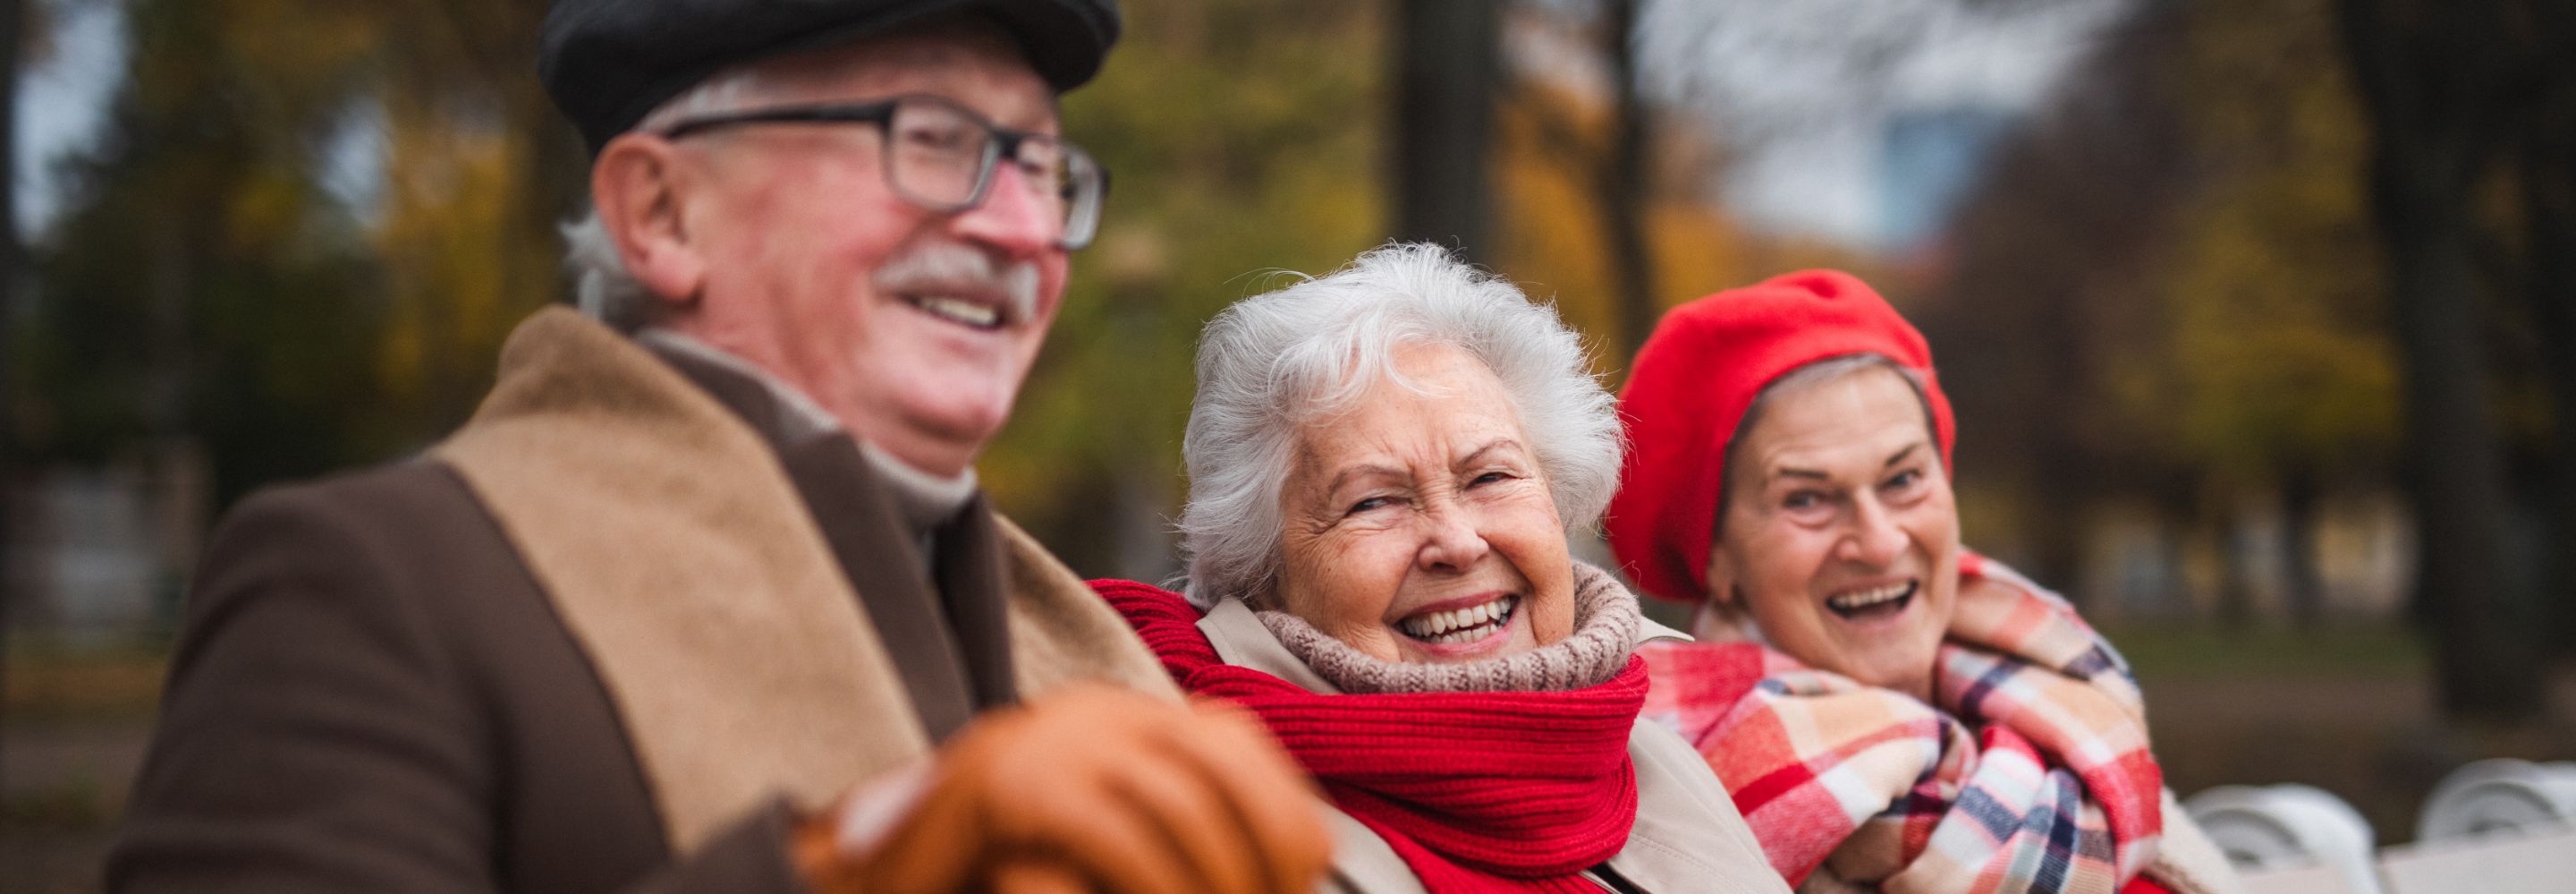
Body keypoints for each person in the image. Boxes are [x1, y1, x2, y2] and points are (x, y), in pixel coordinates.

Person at [106, 2, 1330, 892]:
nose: (1021, 230)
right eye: (936, 139)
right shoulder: (372, 582)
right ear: (661, 212)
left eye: (1041, 166)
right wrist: (853, 864)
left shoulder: (1088, 640)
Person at [1094, 243, 1794, 893]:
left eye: (1490, 477)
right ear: (1263, 569)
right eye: (1373, 501)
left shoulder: (1658, 753)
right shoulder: (1199, 830)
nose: (1457, 542)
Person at [1605, 270, 2241, 894]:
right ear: (1717, 559)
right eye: (1806, 497)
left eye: (1904, 478)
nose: (1880, 541)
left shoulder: (2070, 713)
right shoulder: (1672, 805)